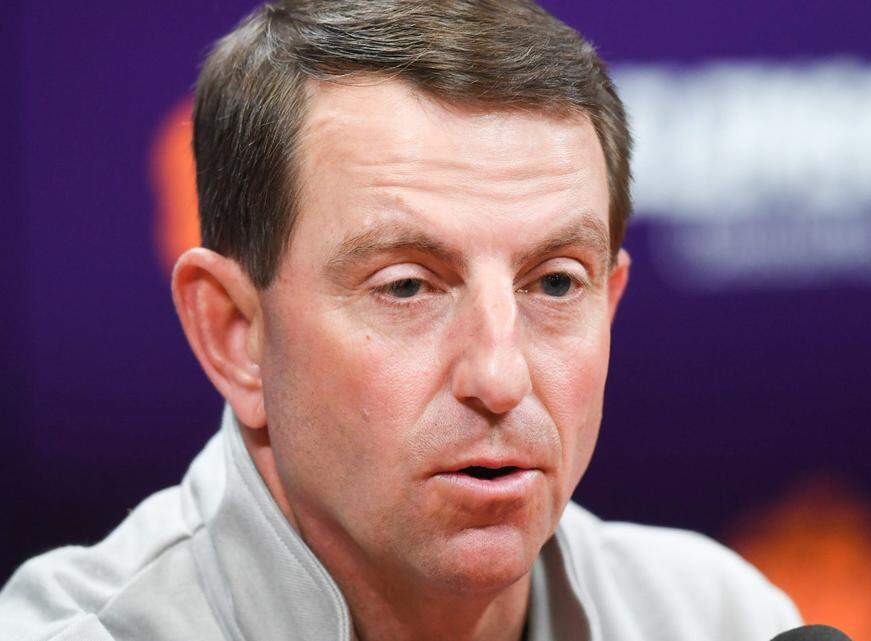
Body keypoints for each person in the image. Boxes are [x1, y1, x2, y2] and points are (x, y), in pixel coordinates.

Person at [0, 2, 800, 639]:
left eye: (555, 282)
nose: (499, 376)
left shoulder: (721, 620)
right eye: (409, 286)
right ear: (236, 333)